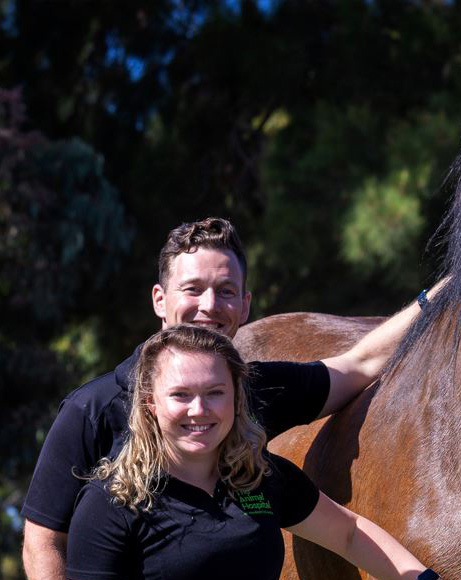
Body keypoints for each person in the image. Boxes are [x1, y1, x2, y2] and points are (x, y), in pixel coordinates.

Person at [22, 217, 435, 580]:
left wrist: (438, 296)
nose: (209, 306)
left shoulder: (259, 426)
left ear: (245, 304)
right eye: (193, 289)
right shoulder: (91, 413)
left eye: (225, 291)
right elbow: (44, 542)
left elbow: (359, 364)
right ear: (159, 299)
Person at [66, 324, 438, 580]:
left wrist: (422, 578)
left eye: (215, 393)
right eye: (181, 395)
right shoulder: (111, 503)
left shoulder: (257, 476)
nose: (200, 410)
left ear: (236, 398)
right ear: (151, 404)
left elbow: (349, 534)